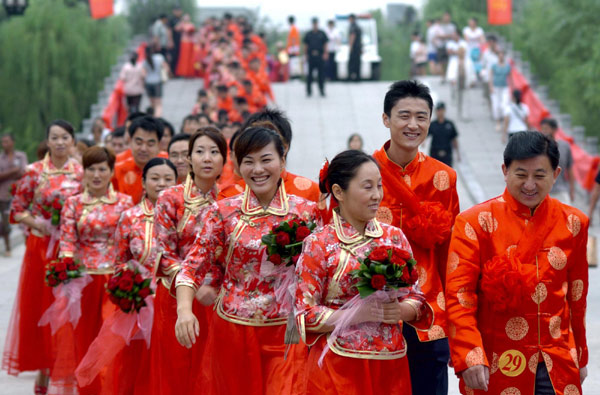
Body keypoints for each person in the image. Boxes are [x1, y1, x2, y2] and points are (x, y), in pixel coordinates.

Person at [175, 127, 321, 394]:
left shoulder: (307, 213)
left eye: (266, 159)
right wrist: (184, 311)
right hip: (233, 329)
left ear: (282, 161)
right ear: (238, 166)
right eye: (248, 162)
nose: (258, 169)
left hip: (287, 330)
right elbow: (191, 267)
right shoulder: (222, 212)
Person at [446, 131, 588, 394]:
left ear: (556, 175)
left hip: (557, 359)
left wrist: (580, 353)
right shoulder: (475, 223)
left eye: (540, 175)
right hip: (497, 361)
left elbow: (577, 298)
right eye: (521, 175)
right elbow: (459, 296)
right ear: (505, 170)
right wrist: (470, 354)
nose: (530, 185)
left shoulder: (574, 223)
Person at [295, 150, 433, 394]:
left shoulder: (393, 237)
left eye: (379, 186)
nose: (377, 195)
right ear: (339, 192)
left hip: (390, 363)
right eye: (367, 187)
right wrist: (355, 314)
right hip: (337, 367)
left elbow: (418, 298)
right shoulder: (319, 243)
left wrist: (400, 310)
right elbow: (304, 314)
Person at [374, 80, 460, 395]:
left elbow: (451, 255)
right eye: (404, 115)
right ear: (386, 119)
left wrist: (457, 323)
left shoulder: (444, 178)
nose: (413, 125)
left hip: (430, 312)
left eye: (421, 117)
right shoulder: (363, 174)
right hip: (373, 312)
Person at [2, 120, 82, 395]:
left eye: (65, 138)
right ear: (47, 141)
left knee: (70, 309)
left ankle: (67, 367)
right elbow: (17, 209)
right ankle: (43, 367)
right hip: (41, 248)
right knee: (42, 306)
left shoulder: (82, 173)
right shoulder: (34, 172)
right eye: (55, 138)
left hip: (72, 247)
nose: (60, 143)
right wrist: (40, 224)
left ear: (72, 141)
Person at [151, 127, 227, 395]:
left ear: (224, 160)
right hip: (175, 297)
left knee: (213, 370)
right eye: (200, 151)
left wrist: (214, 286)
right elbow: (163, 252)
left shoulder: (231, 200)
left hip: (217, 299)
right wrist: (192, 286)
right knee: (176, 368)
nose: (207, 158)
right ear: (189, 159)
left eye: (214, 152)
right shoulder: (169, 198)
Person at [53, 146, 133, 394]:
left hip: (116, 281)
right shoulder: (73, 204)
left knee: (111, 340)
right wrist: (66, 268)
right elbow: (67, 241)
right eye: (91, 169)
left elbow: (129, 242)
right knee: (85, 339)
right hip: (83, 282)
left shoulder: (124, 202)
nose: (96, 175)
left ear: (111, 172)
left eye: (102, 169)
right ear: (84, 172)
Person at [108, 157, 177, 395]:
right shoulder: (130, 217)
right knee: (137, 367)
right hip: (139, 307)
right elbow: (119, 262)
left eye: (168, 179)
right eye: (155, 178)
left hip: (175, 303)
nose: (161, 184)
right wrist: (126, 290)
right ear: (144, 182)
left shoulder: (184, 217)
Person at [113, 116, 163, 204]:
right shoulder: (117, 171)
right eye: (139, 143)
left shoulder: (170, 168)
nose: (143, 149)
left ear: (159, 145)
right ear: (130, 141)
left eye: (150, 144)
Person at [0, 133, 27, 256]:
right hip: (3, 194)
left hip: (19, 193)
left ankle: (28, 246)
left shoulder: (20, 156)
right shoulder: (1, 158)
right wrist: (14, 171)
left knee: (24, 220)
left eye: (6, 141)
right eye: (2, 142)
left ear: (12, 142)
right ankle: (8, 247)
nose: (4, 144)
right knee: (5, 221)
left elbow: (24, 172)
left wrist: (8, 174)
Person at [540, 118, 575, 203]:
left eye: (546, 129)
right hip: (542, 192)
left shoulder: (564, 146)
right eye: (542, 129)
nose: (544, 131)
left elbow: (570, 170)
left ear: (554, 129)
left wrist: (572, 190)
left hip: (561, 191)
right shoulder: (538, 147)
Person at [446, 46, 476, 119]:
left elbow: (472, 72)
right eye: (461, 52)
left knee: (466, 99)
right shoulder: (453, 61)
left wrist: (473, 80)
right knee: (458, 99)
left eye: (463, 52)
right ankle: (459, 113)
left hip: (466, 81)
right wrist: (452, 79)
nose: (462, 54)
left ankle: (465, 115)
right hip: (457, 82)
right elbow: (450, 71)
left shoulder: (468, 61)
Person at [428, 102, 460, 167]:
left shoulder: (449, 124)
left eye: (441, 110)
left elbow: (454, 139)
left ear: (444, 111)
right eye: (438, 110)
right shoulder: (432, 124)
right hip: (435, 153)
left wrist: (458, 153)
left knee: (447, 173)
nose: (440, 112)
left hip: (447, 153)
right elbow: (425, 136)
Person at [303, 17, 328, 97]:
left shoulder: (322, 33)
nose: (315, 25)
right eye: (314, 23)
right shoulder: (308, 34)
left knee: (321, 75)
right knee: (309, 75)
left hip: (320, 56)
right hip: (311, 56)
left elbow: (325, 44)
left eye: (316, 23)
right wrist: (306, 55)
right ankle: (309, 91)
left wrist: (325, 53)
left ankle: (321, 90)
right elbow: (306, 45)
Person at [143, 45, 170, 117]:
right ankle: (158, 117)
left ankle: (152, 116)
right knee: (158, 103)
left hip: (148, 83)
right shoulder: (159, 58)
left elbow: (143, 75)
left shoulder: (145, 61)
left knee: (152, 103)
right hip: (157, 82)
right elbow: (166, 68)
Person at [489, 49, 511, 132]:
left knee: (504, 105)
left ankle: (505, 122)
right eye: (499, 55)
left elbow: (510, 78)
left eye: (502, 54)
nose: (501, 56)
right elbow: (490, 76)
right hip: (496, 87)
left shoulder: (507, 66)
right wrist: (491, 86)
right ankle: (498, 122)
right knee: (496, 105)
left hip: (505, 87)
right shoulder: (494, 66)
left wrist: (511, 88)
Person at [348, 13, 362, 82]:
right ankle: (358, 77)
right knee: (358, 63)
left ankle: (351, 77)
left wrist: (350, 47)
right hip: (358, 47)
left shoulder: (352, 26)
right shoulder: (358, 26)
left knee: (352, 63)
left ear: (351, 19)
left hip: (354, 48)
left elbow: (352, 36)